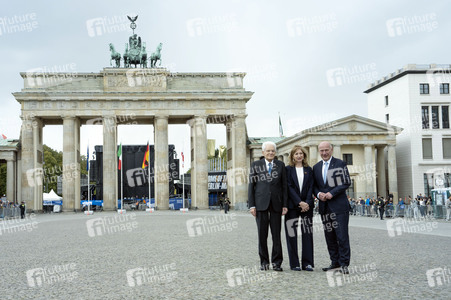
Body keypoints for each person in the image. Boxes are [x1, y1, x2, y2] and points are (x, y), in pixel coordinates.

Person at [313, 141, 351, 274]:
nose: (324, 153)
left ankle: (344, 264)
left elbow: (346, 181)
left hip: (339, 207)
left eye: (326, 150)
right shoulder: (316, 167)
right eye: (321, 150)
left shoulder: (340, 163)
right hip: (324, 208)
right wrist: (318, 194)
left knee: (342, 237)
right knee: (330, 237)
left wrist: (331, 193)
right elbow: (315, 186)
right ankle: (334, 262)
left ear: (331, 150)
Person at [248, 141, 287, 271]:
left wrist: (285, 205)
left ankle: (277, 263)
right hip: (260, 205)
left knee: (276, 235)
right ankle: (264, 262)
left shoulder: (281, 165)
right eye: (268, 151)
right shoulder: (256, 165)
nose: (270, 153)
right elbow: (251, 187)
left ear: (275, 153)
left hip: (276, 204)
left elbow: (284, 187)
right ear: (263, 152)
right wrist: (252, 205)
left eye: (273, 151)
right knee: (262, 235)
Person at [284, 145, 314, 271]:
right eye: (296, 154)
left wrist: (306, 202)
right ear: (292, 156)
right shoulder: (287, 170)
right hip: (292, 206)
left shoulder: (309, 169)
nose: (299, 155)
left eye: (301, 153)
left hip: (307, 206)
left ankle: (307, 263)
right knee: (292, 235)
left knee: (307, 234)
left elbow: (311, 187)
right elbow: (288, 187)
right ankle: (294, 263)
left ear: (304, 155)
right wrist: (299, 202)